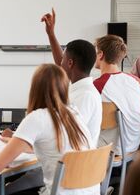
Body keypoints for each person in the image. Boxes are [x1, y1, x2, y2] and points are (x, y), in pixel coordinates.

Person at [0, 64, 96, 195]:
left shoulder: (38, 118)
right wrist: (17, 144)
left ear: (35, 88)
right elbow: (54, 147)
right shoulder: (73, 113)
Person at [40, 8, 102, 145]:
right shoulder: (79, 86)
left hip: (74, 163)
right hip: (71, 157)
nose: (59, 63)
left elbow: (64, 135)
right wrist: (50, 34)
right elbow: (61, 63)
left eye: (64, 59)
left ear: (70, 63)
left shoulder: (85, 96)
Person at [94, 35, 140, 153]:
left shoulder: (97, 85)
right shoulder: (135, 81)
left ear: (101, 54)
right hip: (133, 146)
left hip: (109, 148)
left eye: (96, 53)